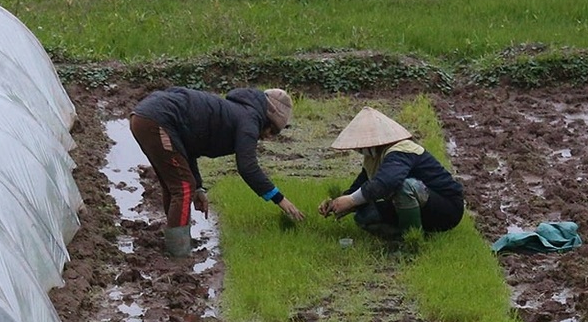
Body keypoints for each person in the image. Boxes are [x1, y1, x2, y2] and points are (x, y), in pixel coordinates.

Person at [130, 86, 305, 256]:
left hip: (144, 117)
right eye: (272, 131)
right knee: (182, 187)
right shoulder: (249, 121)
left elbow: (188, 148)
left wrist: (198, 188)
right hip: (156, 120)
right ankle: (179, 252)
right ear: (268, 120)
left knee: (176, 185)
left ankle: (176, 241)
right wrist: (279, 199)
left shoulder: (238, 112)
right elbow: (248, 167)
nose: (268, 137)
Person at [317, 106, 465, 237]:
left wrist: (351, 201)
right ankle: (402, 235)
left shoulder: (402, 150)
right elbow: (363, 184)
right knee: (365, 217)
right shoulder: (374, 157)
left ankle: (412, 239)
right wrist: (338, 202)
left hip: (446, 208)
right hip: (422, 206)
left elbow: (387, 182)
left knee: (405, 186)